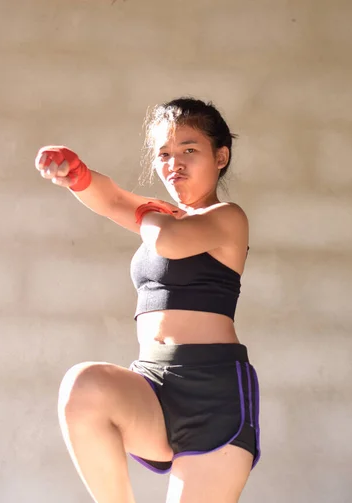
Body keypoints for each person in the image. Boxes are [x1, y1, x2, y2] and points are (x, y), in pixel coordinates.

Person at [35, 98, 260, 503]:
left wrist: (148, 212)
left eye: (189, 150)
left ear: (220, 156)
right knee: (83, 387)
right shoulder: (162, 215)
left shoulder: (227, 217)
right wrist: (77, 174)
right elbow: (113, 200)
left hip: (214, 395)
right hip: (153, 383)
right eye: (164, 154)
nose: (174, 163)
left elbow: (167, 241)